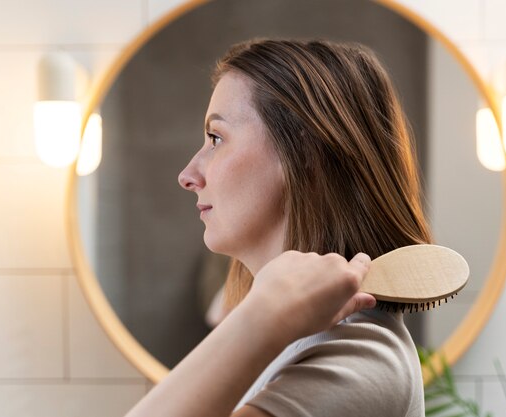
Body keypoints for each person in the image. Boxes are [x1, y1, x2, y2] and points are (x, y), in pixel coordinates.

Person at [126, 38, 431, 417]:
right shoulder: (295, 341)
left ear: (302, 154)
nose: (187, 175)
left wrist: (263, 315)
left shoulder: (363, 364)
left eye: (216, 138)